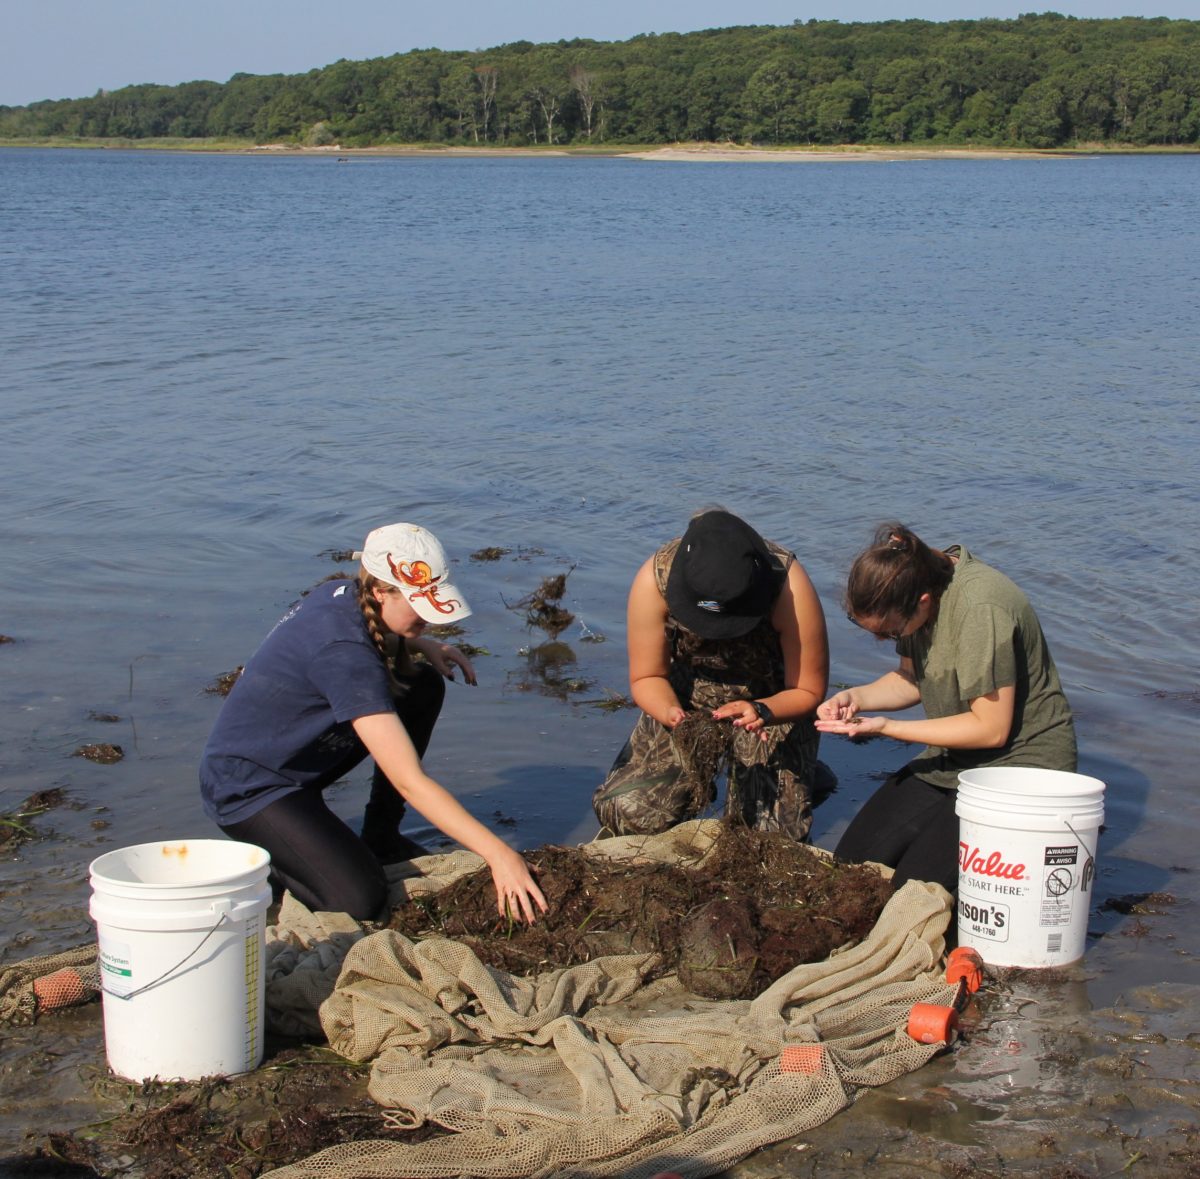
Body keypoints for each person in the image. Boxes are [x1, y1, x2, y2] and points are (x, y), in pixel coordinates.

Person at [200, 522, 547, 923]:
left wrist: (420, 641)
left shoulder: (344, 592)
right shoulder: (346, 657)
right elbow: (408, 780)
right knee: (359, 900)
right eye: (418, 609)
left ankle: (381, 837)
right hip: (248, 788)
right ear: (381, 591)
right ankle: (270, 865)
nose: (428, 618)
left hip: (299, 763)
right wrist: (498, 854)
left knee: (423, 687)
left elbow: (363, 630)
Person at [815, 523, 1077, 894]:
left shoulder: (979, 608)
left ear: (922, 602)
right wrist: (855, 698)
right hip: (955, 757)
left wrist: (886, 727)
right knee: (850, 871)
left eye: (890, 632)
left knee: (915, 890)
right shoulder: (916, 583)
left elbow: (991, 729)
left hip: (1020, 768)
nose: (886, 639)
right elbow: (911, 679)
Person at [592, 508, 829, 840]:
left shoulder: (788, 583)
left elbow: (807, 689)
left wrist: (761, 710)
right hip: (689, 696)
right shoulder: (656, 575)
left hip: (769, 703)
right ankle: (699, 780)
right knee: (627, 813)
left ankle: (806, 772)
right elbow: (647, 677)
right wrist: (673, 715)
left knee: (765, 836)